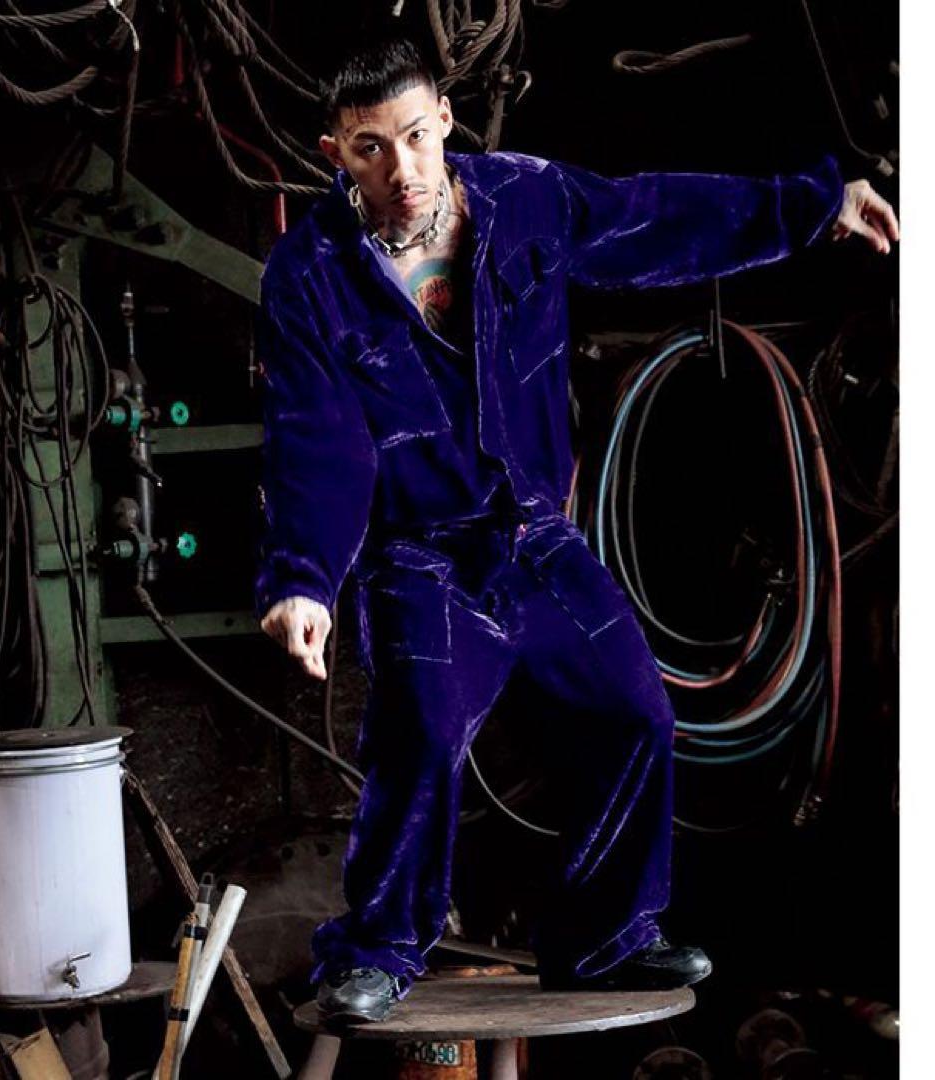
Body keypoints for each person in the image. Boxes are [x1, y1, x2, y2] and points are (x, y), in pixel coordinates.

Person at [254, 36, 899, 1023]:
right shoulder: (308, 274)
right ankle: (375, 952)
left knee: (636, 714)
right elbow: (318, 436)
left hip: (534, 538)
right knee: (422, 733)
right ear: (334, 152)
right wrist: (304, 578)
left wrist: (813, 204)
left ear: (447, 121)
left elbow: (655, 216)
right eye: (371, 148)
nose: (402, 169)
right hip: (420, 557)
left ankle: (603, 939)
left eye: (417, 137)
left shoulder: (524, 199)